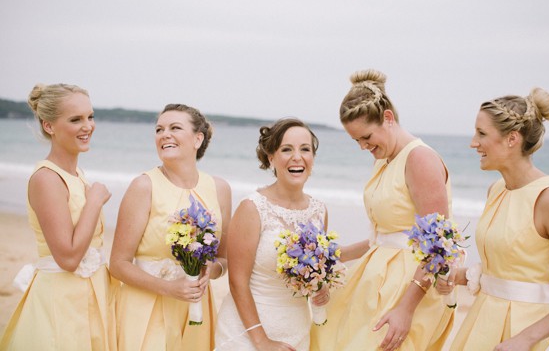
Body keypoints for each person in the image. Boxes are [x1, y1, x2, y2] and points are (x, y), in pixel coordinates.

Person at [436, 88, 549, 351]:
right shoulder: (496, 190)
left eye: (482, 133)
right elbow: (504, 270)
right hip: (482, 323)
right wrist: (457, 276)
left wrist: (526, 339)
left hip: (528, 335)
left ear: (512, 139)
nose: (473, 142)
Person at [311, 69, 454, 351]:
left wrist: (406, 309)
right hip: (377, 279)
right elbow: (386, 236)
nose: (363, 147)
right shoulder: (385, 159)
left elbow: (438, 247)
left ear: (387, 118)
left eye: (366, 137)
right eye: (356, 141)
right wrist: (328, 257)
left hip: (409, 289)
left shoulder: (419, 158)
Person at [0, 84, 115, 350]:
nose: (88, 126)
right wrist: (94, 202)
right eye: (76, 119)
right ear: (49, 126)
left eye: (90, 116)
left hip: (90, 296)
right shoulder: (46, 179)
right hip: (62, 301)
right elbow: (68, 258)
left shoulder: (77, 175)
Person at [109, 103, 231, 351]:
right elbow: (118, 264)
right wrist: (169, 288)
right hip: (147, 307)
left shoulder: (220, 189)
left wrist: (211, 270)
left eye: (175, 127)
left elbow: (223, 259)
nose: (164, 134)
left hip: (196, 308)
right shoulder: (143, 186)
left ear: (198, 139)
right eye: (159, 129)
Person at [215, 118, 330, 351]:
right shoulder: (252, 207)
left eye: (305, 149)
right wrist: (262, 341)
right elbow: (238, 282)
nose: (297, 157)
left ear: (312, 159)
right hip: (246, 334)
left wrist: (320, 287)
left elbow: (309, 273)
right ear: (271, 158)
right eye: (286, 149)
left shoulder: (319, 211)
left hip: (295, 330)